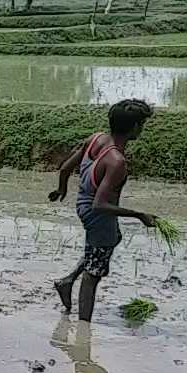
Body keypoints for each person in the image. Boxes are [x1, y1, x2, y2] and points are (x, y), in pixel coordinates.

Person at [49, 99, 158, 323]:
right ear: (135, 127)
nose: (142, 129)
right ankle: (83, 328)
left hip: (82, 203)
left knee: (113, 239)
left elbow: (65, 168)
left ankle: (68, 280)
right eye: (142, 124)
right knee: (94, 274)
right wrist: (139, 215)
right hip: (98, 215)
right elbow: (100, 204)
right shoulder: (116, 161)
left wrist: (61, 189)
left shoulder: (96, 139)